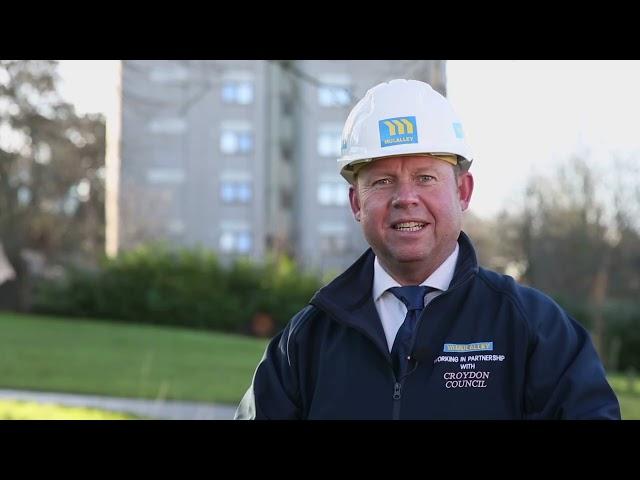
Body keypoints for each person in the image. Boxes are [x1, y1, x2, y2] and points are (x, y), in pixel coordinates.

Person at [235, 79, 621, 420]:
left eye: (425, 178)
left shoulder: (535, 330)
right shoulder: (305, 343)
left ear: (463, 191)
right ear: (356, 203)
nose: (406, 198)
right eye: (383, 181)